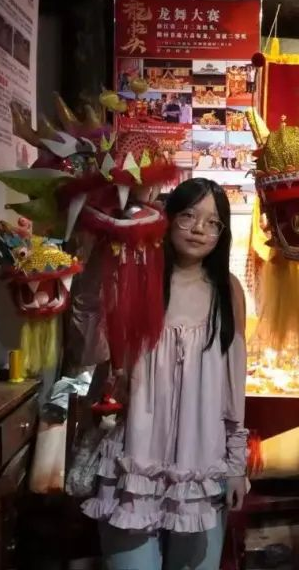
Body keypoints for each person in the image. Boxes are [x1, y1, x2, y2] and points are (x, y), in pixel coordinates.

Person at [83, 178, 248, 570]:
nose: (199, 229)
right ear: (168, 219)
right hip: (134, 465)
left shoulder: (227, 291)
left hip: (199, 469)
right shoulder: (137, 279)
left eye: (212, 222)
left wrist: (236, 466)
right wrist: (94, 264)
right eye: (188, 216)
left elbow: (233, 387)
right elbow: (91, 349)